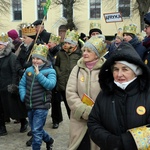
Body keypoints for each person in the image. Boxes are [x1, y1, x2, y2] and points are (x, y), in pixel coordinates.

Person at [87, 42, 150, 150]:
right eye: (116, 69)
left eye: (125, 69)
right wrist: (111, 142)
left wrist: (126, 142)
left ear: (136, 72)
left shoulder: (147, 93)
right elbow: (93, 122)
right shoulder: (105, 93)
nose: (119, 74)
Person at [66, 36, 107, 150]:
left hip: (100, 120)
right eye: (84, 50)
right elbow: (70, 92)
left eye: (89, 51)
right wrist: (83, 110)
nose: (84, 53)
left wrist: (96, 112)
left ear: (97, 54)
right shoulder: (77, 68)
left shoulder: (106, 70)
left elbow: (109, 94)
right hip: (79, 119)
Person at [19, 43, 56, 150]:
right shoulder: (28, 70)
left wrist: (39, 74)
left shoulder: (50, 71)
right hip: (30, 104)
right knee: (36, 129)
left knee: (35, 130)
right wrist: (23, 96)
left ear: (44, 60)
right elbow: (22, 84)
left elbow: (50, 85)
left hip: (42, 105)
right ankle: (49, 140)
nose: (35, 61)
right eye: (33, 58)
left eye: (38, 59)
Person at [0, 33, 27, 136]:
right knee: (0, 109)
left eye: (1, 44)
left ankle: (23, 121)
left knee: (15, 107)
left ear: (6, 45)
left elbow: (15, 72)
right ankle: (2, 127)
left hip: (8, 86)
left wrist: (13, 85)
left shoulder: (11, 57)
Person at [54, 29, 82, 128]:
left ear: (74, 44)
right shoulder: (60, 53)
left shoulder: (79, 54)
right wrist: (59, 73)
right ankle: (73, 124)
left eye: (68, 43)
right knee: (68, 106)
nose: (65, 45)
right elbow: (56, 65)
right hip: (63, 84)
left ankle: (78, 124)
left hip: (75, 85)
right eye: (65, 42)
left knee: (75, 107)